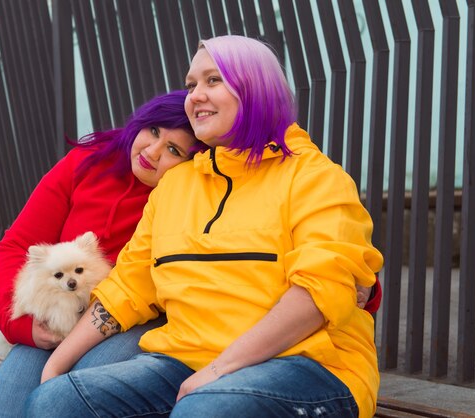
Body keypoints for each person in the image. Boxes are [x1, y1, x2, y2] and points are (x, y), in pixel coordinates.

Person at [25, 35, 384, 418]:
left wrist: (218, 370)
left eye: (213, 80)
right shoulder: (176, 187)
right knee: (56, 401)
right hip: (185, 364)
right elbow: (127, 288)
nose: (195, 95)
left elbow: (317, 295)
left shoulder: (316, 178)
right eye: (191, 84)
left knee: (205, 409)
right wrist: (55, 369)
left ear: (256, 88)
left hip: (309, 365)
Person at [0, 90, 206, 417]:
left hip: (132, 320)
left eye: (173, 149)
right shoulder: (86, 161)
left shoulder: (187, 200)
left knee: (69, 394)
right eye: (153, 131)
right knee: (3, 409)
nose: (152, 152)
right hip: (62, 308)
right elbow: (17, 244)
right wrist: (19, 325)